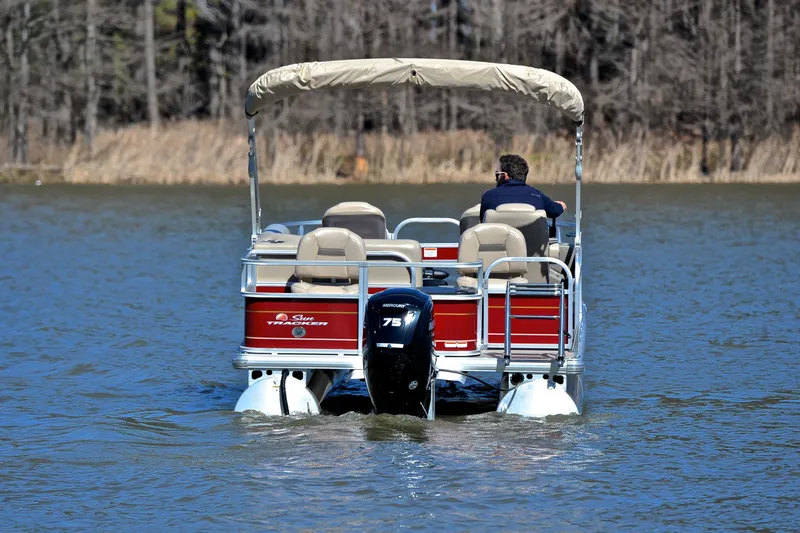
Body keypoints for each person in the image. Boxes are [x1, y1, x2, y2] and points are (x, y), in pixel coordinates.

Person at [479, 154, 568, 222]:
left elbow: (483, 222)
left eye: (497, 174)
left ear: (505, 176)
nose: (495, 178)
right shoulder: (537, 196)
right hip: (531, 246)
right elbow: (554, 210)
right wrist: (561, 206)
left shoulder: (488, 196)